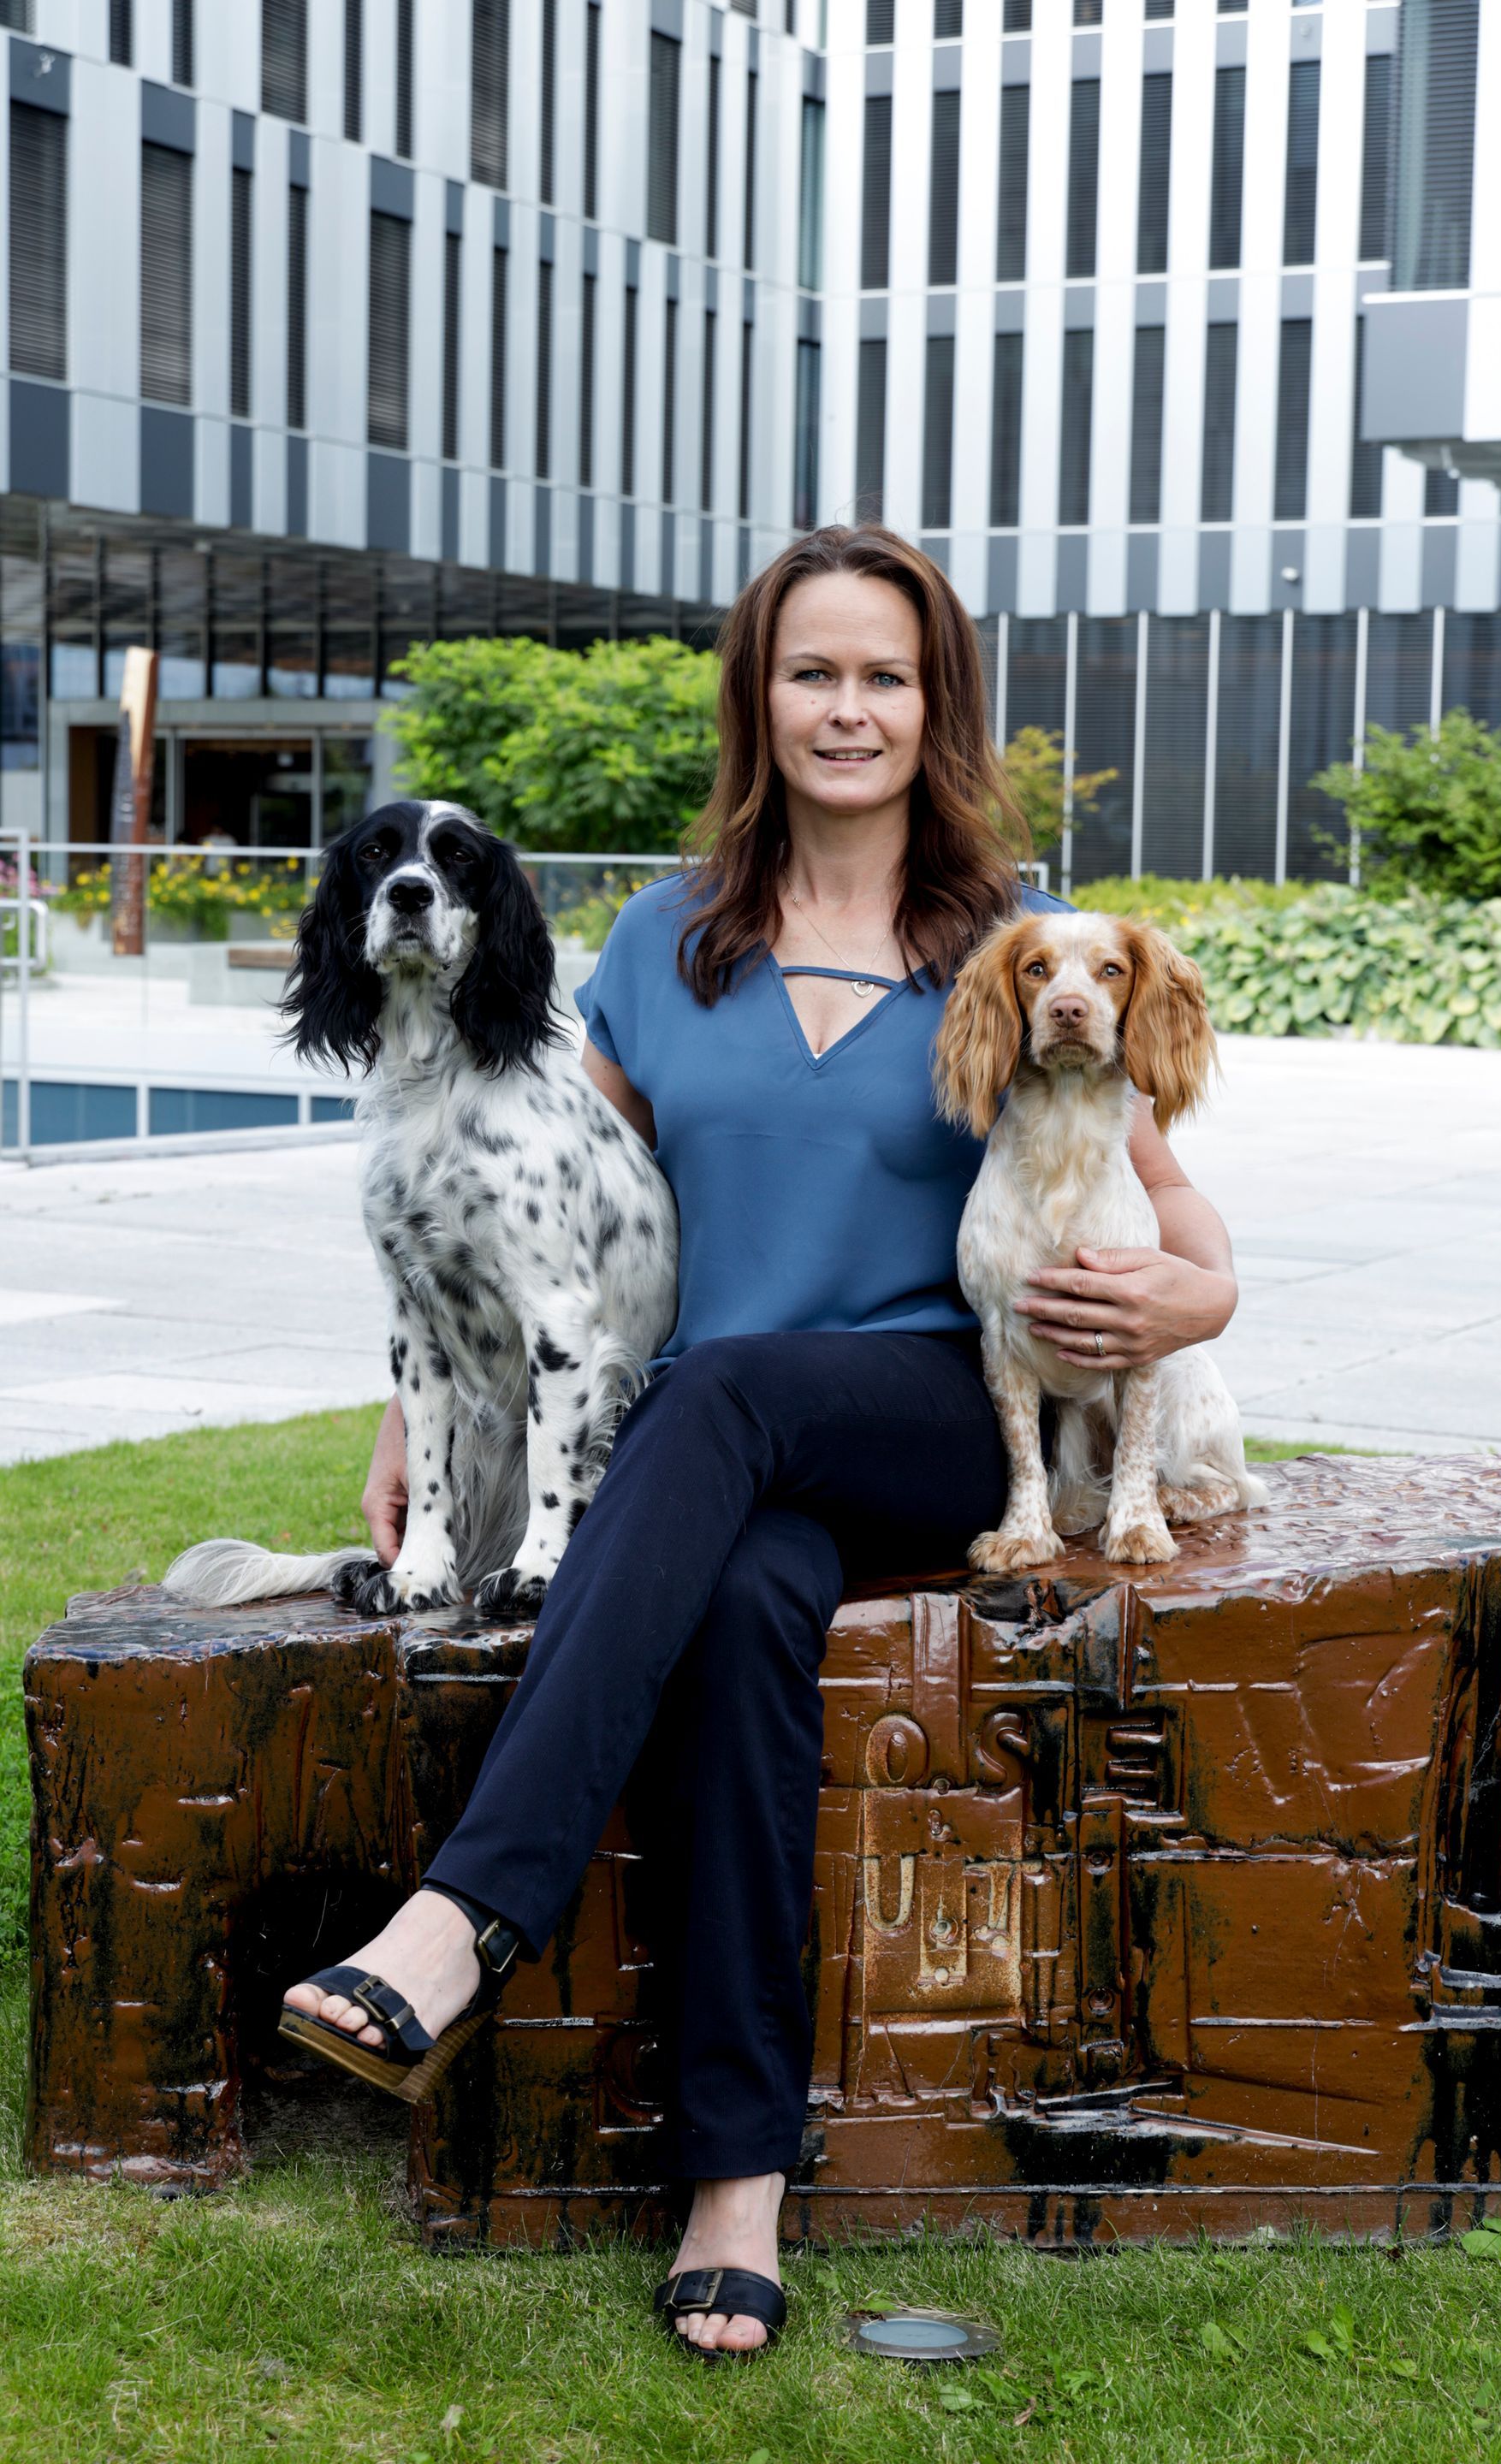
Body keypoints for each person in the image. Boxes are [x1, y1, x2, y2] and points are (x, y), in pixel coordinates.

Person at [282, 525, 1240, 2356]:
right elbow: (563, 1220)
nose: (848, 708)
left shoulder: (1015, 941)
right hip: (721, 1461)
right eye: (814, 672)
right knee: (732, 1615)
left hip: (938, 1411)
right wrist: (414, 1422)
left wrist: (1190, 1303)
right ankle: (738, 2186)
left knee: (718, 1391)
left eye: (886, 675)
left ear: (935, 705)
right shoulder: (666, 940)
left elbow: (1179, 1213)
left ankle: (462, 1918)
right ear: (761, 698)